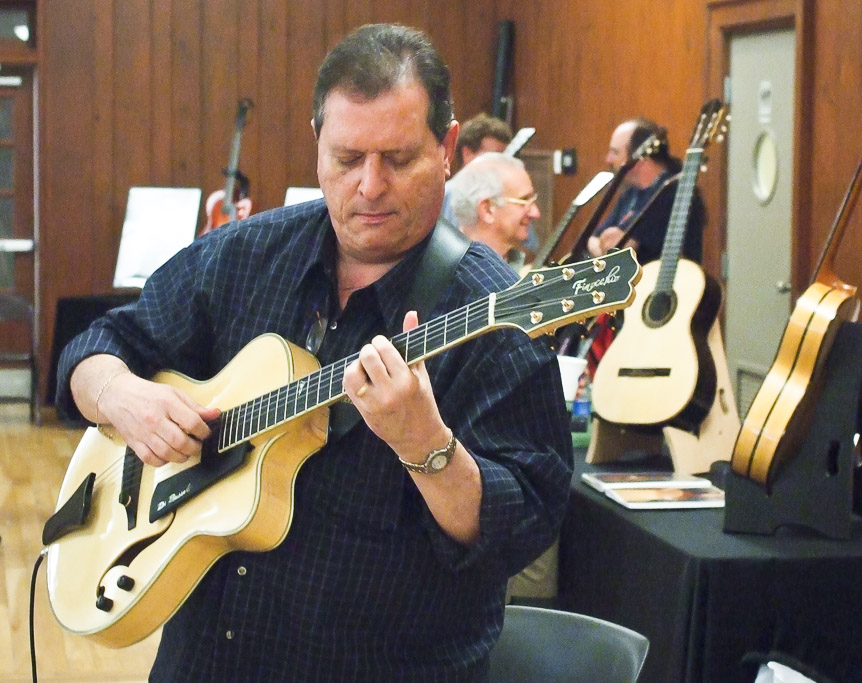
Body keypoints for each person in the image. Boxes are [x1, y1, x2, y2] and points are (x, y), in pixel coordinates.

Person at [56, 23, 572, 681]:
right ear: (316, 145)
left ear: (447, 150)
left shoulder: (498, 320)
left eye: (399, 158)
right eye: (348, 158)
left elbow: (520, 529)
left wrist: (426, 445)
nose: (370, 187)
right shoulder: (241, 256)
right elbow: (97, 345)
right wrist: (119, 394)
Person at [586, 117, 707, 265]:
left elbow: (632, 250)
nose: (608, 160)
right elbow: (593, 239)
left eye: (615, 153)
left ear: (640, 156)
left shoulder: (675, 193)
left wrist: (615, 247)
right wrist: (607, 250)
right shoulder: (630, 194)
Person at [447, 151, 540, 262]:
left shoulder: (527, 266)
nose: (536, 213)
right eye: (524, 201)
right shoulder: (444, 274)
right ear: (487, 210)